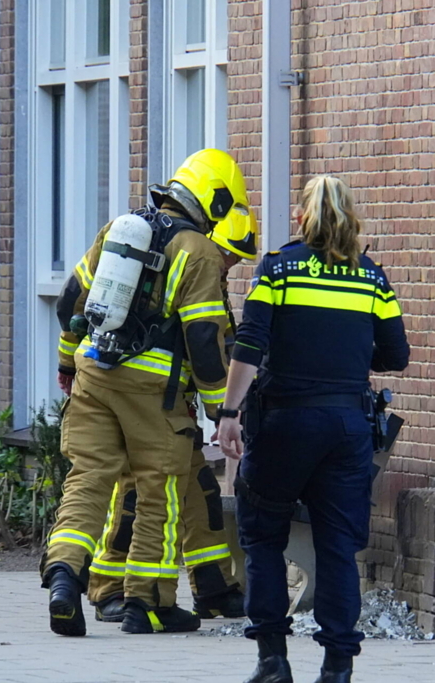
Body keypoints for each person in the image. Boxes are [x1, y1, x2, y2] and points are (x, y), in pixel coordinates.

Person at [44, 148, 257, 637]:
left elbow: (68, 301)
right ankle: (151, 603)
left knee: (88, 479)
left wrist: (65, 361)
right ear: (216, 203)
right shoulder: (198, 251)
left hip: (93, 375)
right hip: (151, 391)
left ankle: (62, 576)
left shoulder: (121, 229)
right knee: (158, 489)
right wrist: (220, 408)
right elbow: (204, 339)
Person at [217, 176, 409, 683]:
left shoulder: (278, 269)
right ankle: (338, 668)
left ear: (301, 217)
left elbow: (250, 343)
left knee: (262, 538)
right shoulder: (372, 279)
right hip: (347, 427)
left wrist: (229, 414)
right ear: (351, 218)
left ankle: (273, 661)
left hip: (283, 424)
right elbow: (396, 356)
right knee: (338, 546)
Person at [88, 299, 247, 622]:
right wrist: (221, 412)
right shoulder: (184, 267)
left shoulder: (208, 279)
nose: (227, 267)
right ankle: (111, 588)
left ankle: (213, 586)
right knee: (135, 494)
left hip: (176, 410)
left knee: (203, 493)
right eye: (227, 258)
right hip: (144, 403)